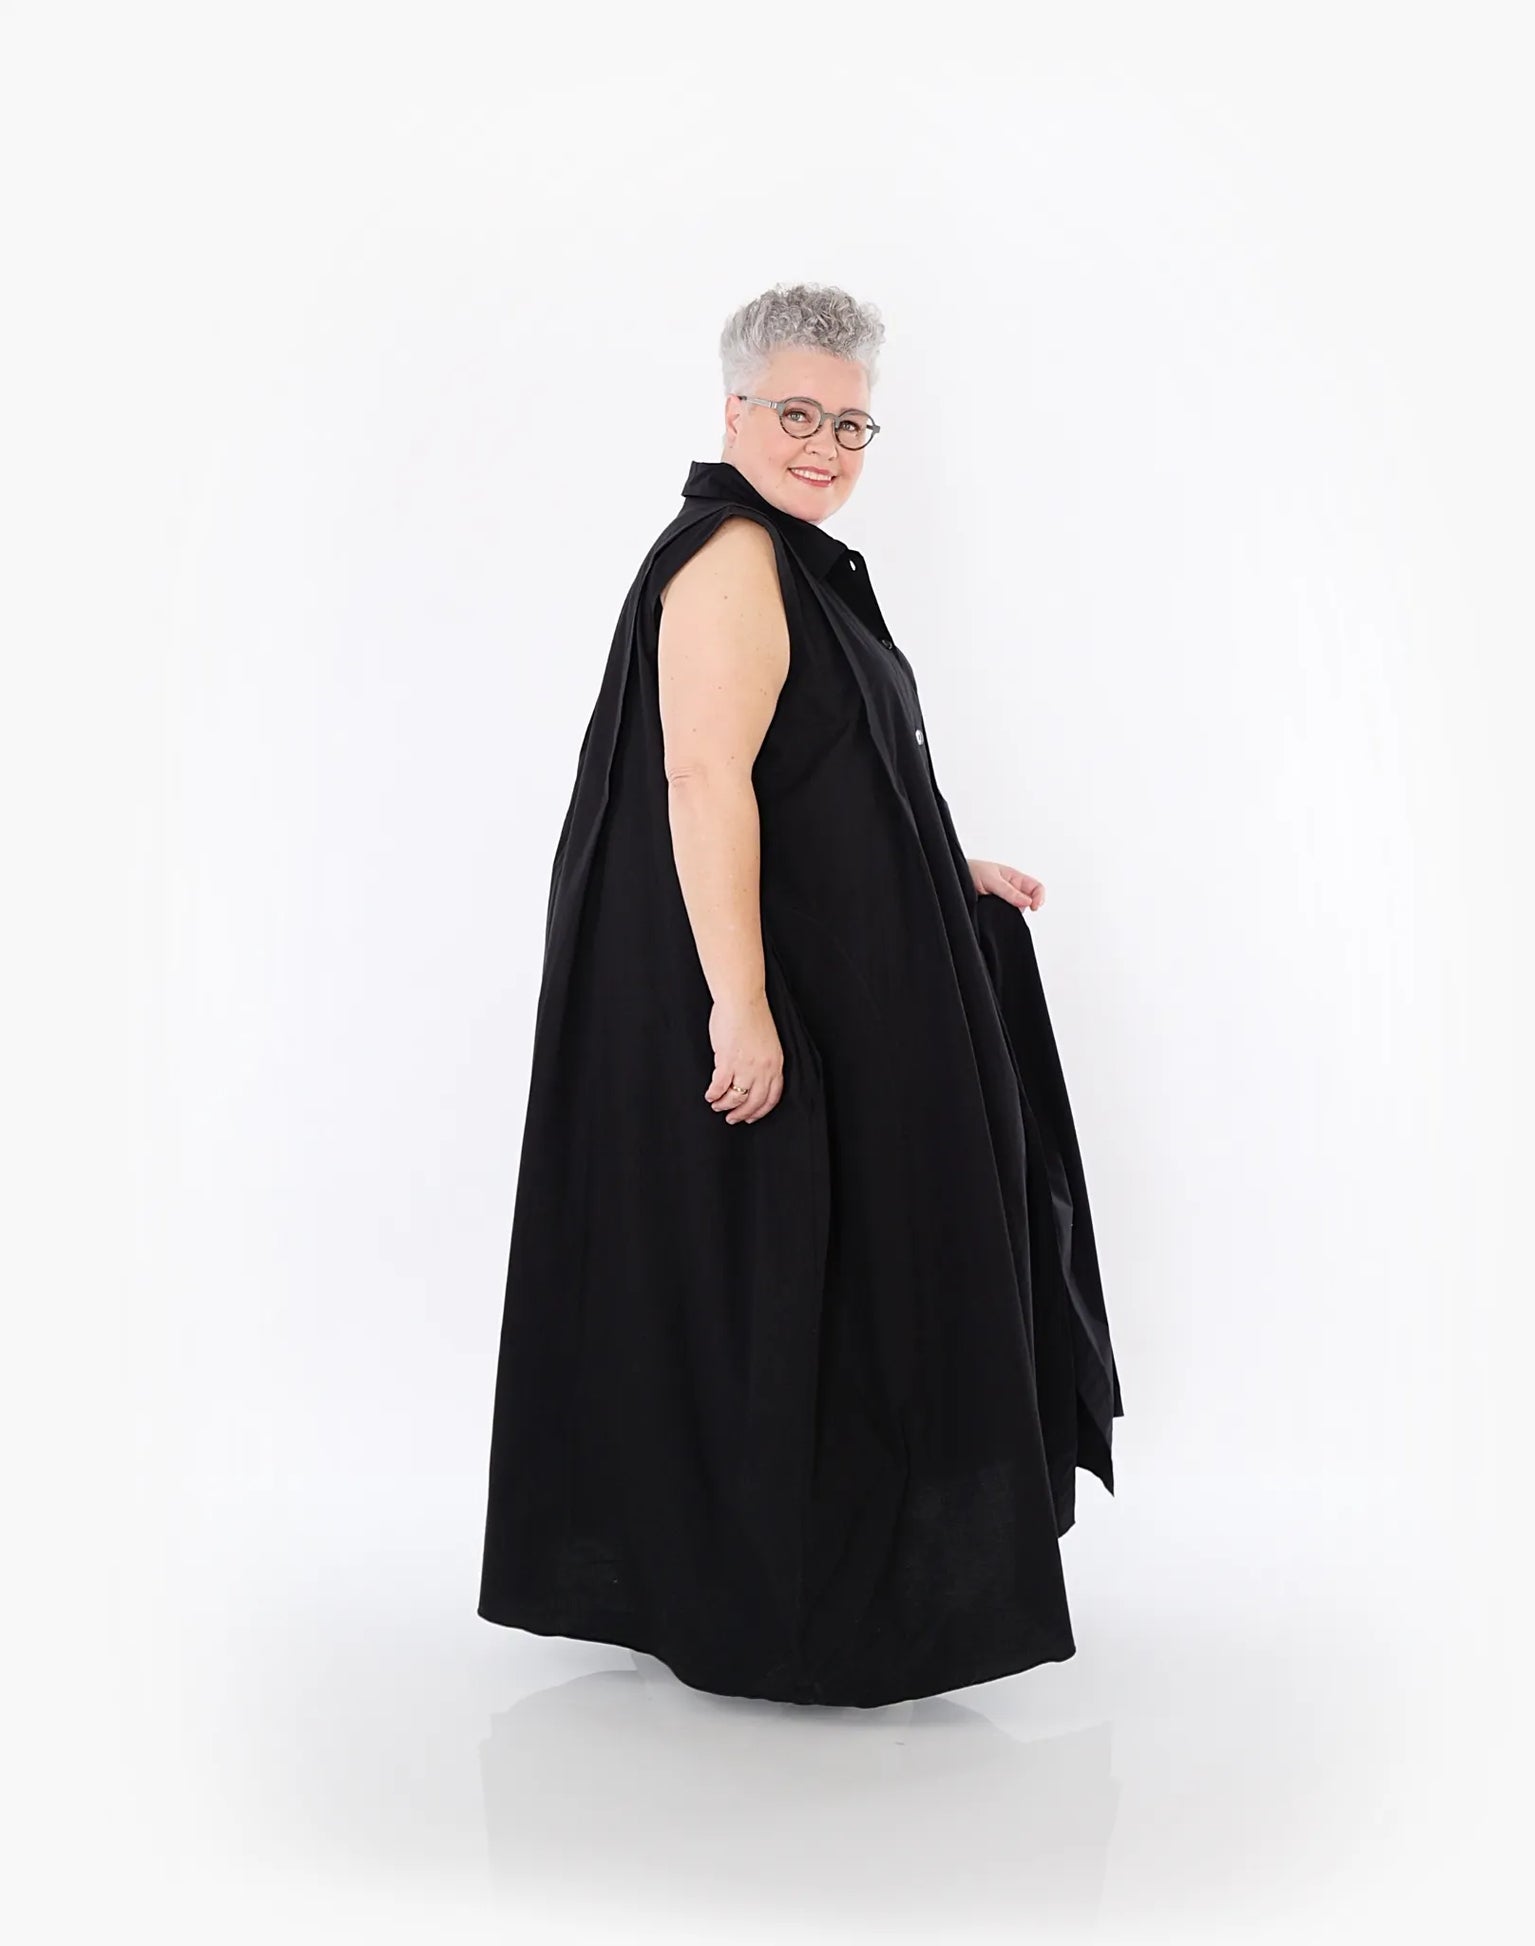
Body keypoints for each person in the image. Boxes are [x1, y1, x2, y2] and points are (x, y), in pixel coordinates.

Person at [477, 282, 1121, 1708]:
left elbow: (816, 772)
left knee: (818, 1290)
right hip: (767, 995)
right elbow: (701, 779)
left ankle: (820, 1593)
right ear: (733, 411)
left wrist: (936, 867)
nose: (824, 446)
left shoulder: (790, 558)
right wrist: (740, 1005)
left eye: (849, 423)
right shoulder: (732, 560)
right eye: (795, 414)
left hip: (823, 974)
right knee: (782, 1287)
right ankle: (779, 1610)